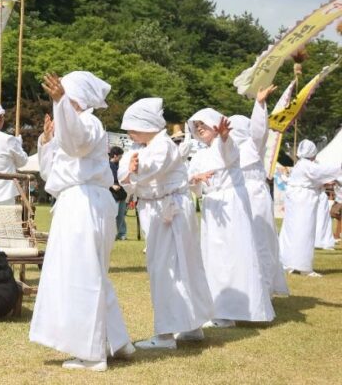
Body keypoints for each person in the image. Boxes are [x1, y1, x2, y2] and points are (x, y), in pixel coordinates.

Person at [29, 72, 134, 372]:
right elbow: (50, 174)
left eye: (65, 96)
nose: (58, 100)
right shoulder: (71, 126)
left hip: (85, 202)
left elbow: (76, 145)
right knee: (92, 273)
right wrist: (46, 141)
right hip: (76, 201)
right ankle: (117, 340)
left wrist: (62, 105)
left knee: (82, 274)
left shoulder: (88, 122)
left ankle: (91, 353)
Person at [118, 98, 213, 349]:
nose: (129, 132)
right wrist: (131, 169)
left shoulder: (161, 145)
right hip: (161, 209)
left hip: (167, 211)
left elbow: (149, 168)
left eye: (133, 126)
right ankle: (191, 326)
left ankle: (166, 334)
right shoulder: (144, 145)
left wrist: (135, 169)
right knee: (179, 267)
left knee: (168, 269)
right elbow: (124, 174)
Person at [187, 108, 274, 328]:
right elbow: (192, 182)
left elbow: (228, 153)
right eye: (197, 127)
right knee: (213, 257)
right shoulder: (199, 155)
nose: (200, 129)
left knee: (233, 256)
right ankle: (217, 308)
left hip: (231, 204)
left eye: (203, 125)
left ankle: (233, 309)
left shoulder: (228, 145)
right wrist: (195, 178)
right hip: (212, 206)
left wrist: (224, 137)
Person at [228, 85, 289, 296]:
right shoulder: (227, 149)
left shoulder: (252, 145)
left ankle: (263, 287)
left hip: (254, 196)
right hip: (237, 196)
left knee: (260, 240)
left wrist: (260, 104)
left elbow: (259, 130)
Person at [279, 140, 342, 277]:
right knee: (304, 231)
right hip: (303, 200)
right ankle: (302, 266)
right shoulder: (307, 166)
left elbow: (317, 178)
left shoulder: (300, 165)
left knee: (292, 231)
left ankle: (289, 262)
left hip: (296, 199)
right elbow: (324, 172)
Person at [108, 146, 128, 240]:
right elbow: (103, 179)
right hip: (111, 193)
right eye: (120, 156)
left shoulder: (121, 165)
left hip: (122, 193)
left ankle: (121, 233)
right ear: (115, 156)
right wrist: (112, 185)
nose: (121, 158)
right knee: (112, 215)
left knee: (121, 214)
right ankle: (111, 234)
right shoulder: (106, 165)